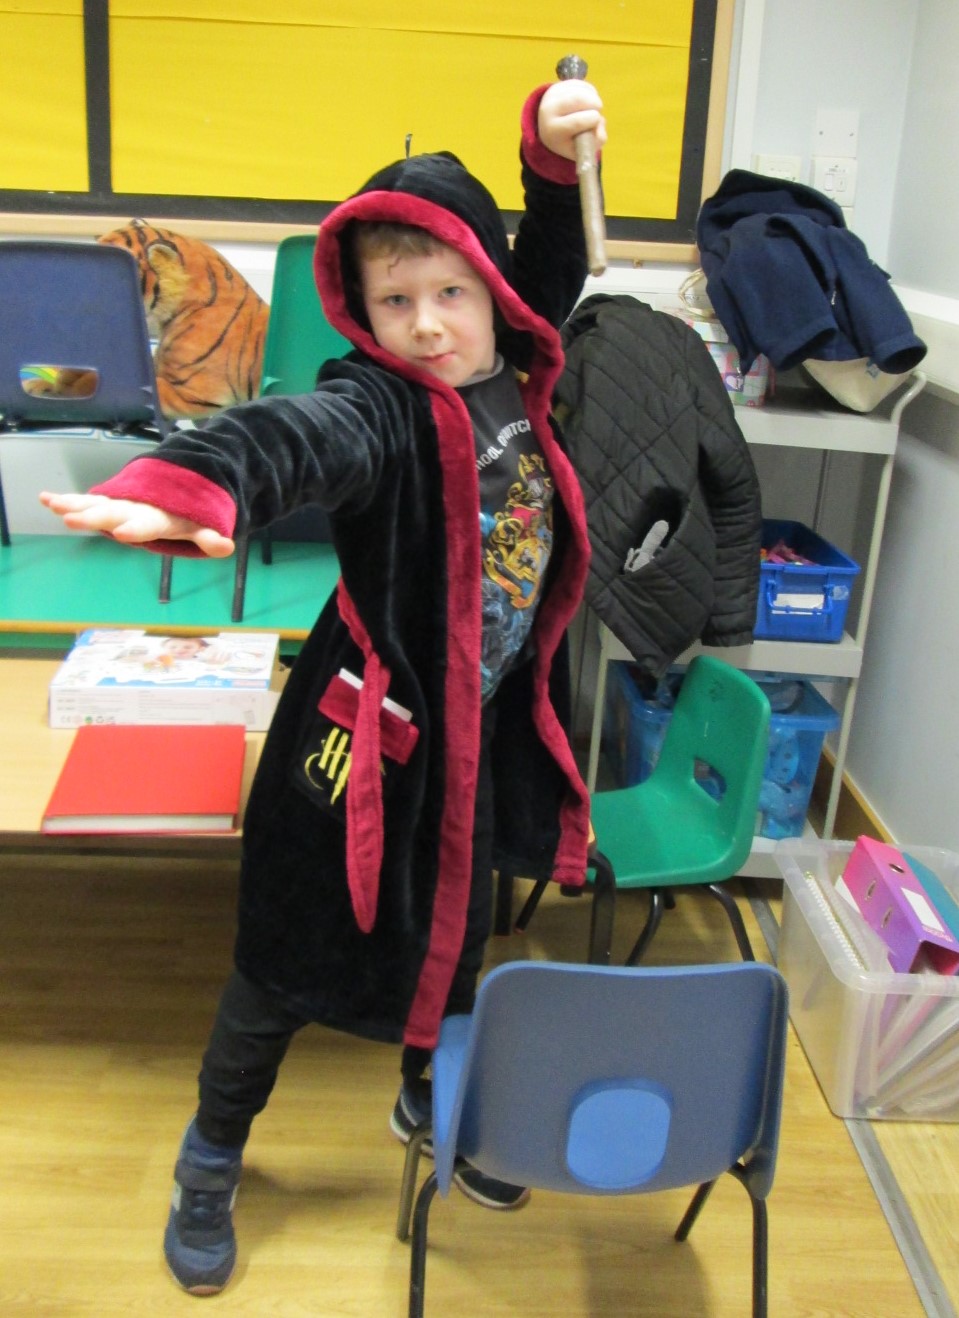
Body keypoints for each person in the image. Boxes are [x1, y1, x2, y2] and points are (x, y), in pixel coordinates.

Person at [40, 75, 605, 1296]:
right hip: (355, 743)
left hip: (475, 736)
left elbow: (549, 262)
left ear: (491, 296)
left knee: (456, 935)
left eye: (449, 293)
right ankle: (210, 1154)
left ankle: (426, 1094)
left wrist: (552, 160)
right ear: (362, 311)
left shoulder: (511, 363)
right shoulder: (382, 406)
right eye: (393, 301)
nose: (426, 327)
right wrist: (190, 483)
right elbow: (294, 435)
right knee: (282, 962)